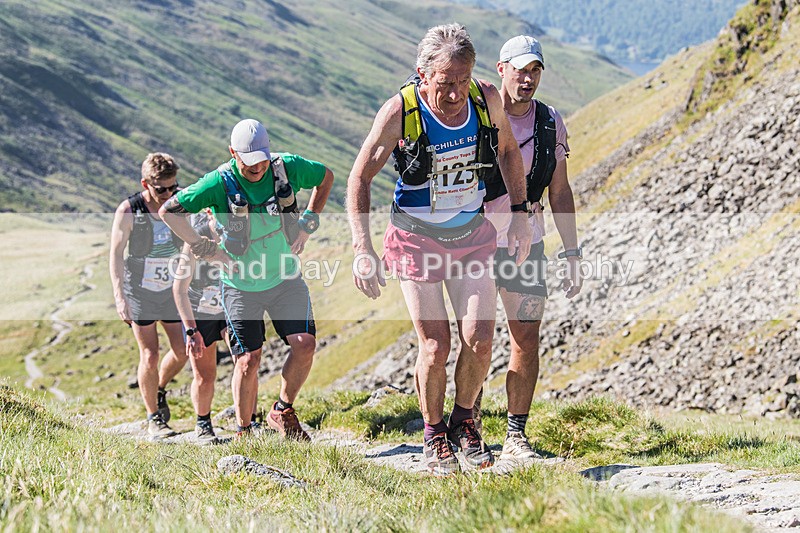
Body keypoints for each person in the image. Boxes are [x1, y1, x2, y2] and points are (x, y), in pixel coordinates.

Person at [347, 23, 532, 475]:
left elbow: (508, 152)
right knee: (435, 345)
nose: (455, 93)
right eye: (446, 82)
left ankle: (464, 421)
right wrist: (361, 247)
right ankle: (433, 435)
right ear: (422, 74)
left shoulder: (485, 100)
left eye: (463, 80)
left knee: (481, 339)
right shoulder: (400, 112)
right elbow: (359, 178)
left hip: (471, 235)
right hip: (416, 240)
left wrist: (522, 213)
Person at [160, 119, 334, 440]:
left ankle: (282, 410)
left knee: (305, 344)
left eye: (263, 159)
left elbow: (326, 178)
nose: (258, 167)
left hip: (285, 276)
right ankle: (244, 432)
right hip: (240, 285)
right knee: (248, 361)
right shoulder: (217, 183)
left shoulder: (287, 168)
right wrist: (206, 248)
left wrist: (309, 221)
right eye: (250, 161)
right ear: (233, 154)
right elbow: (170, 210)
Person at [481, 35, 582, 463]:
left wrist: (572, 254)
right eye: (520, 69)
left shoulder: (549, 121)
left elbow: (559, 191)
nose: (527, 78)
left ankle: (515, 435)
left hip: (527, 246)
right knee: (475, 338)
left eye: (535, 70)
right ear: (501, 68)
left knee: (525, 337)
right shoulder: (477, 114)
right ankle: (461, 424)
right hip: (475, 243)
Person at [109, 152, 188, 439]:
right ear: (146, 184)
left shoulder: (178, 205)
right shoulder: (129, 210)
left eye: (173, 188)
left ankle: (159, 388)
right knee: (150, 354)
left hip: (172, 289)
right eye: (161, 189)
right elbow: (116, 255)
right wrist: (120, 296)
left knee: (182, 352)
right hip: (140, 290)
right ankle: (154, 418)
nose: (168, 194)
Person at [172, 211, 230, 445]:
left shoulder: (238, 230)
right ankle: (203, 423)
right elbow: (179, 289)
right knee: (205, 376)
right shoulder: (197, 237)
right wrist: (190, 330)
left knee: (247, 361)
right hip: (201, 312)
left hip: (231, 309)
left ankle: (248, 422)